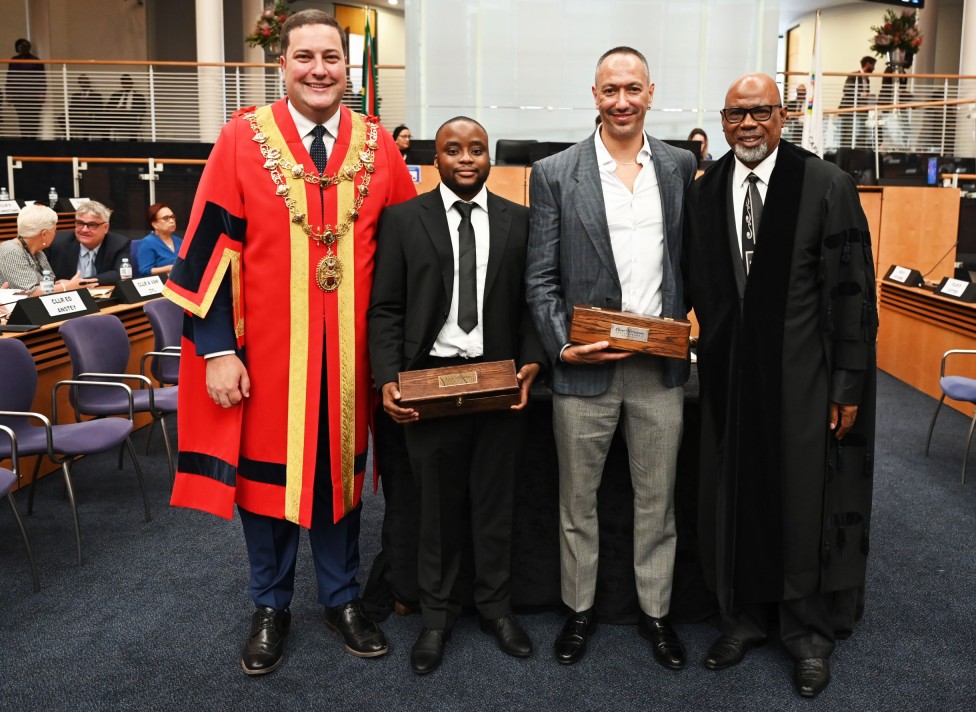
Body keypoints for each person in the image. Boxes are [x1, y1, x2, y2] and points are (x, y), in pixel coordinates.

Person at [163, 9, 417, 677]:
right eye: (304, 57)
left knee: (341, 485)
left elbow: (407, 253)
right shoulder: (242, 138)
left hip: (351, 358)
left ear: (347, 68)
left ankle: (342, 600)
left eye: (330, 58)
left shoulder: (376, 145)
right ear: (282, 65)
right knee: (268, 485)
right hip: (267, 357)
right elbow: (210, 248)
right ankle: (270, 606)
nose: (318, 70)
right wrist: (217, 350)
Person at [682, 73, 877, 699]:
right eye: (735, 113)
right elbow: (690, 286)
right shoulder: (706, 192)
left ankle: (807, 635)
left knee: (801, 500)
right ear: (722, 118)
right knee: (733, 493)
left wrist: (846, 385)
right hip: (730, 378)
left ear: (782, 115)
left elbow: (852, 295)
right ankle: (741, 621)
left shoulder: (824, 184)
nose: (747, 124)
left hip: (802, 379)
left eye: (760, 112)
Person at [524, 46, 696, 670]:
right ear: (593, 95)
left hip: (658, 373)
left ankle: (656, 615)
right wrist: (562, 346)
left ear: (651, 91)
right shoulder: (554, 173)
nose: (620, 101)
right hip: (584, 372)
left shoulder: (680, 166)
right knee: (579, 502)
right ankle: (578, 612)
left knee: (658, 501)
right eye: (608, 91)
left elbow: (690, 262)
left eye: (631, 89)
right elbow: (540, 280)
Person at [368, 116, 546, 675]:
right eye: (453, 149)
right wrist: (387, 378)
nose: (466, 158)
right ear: (435, 158)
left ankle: (496, 609)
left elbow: (531, 305)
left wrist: (531, 364)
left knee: (496, 507)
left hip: (498, 390)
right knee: (435, 513)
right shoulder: (401, 221)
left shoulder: (521, 221)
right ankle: (436, 618)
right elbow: (386, 308)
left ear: (489, 156)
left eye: (476, 149)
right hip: (431, 388)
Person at [45, 201, 131, 285]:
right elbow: (43, 276)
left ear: (105, 227)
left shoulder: (119, 244)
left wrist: (80, 283)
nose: (84, 230)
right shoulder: (57, 242)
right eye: (80, 223)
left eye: (92, 225)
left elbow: (120, 274)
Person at [6, 39, 46, 139]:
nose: (24, 48)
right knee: (22, 117)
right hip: (18, 95)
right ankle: (24, 138)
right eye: (21, 46)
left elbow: (42, 78)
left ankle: (33, 138)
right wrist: (8, 94)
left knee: (34, 117)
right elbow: (9, 77)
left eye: (26, 46)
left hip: (33, 95)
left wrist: (42, 93)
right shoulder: (13, 60)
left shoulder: (36, 60)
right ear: (17, 48)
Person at [839, 56, 876, 148]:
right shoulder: (854, 75)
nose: (874, 68)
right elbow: (847, 90)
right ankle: (845, 156)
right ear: (867, 64)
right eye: (873, 65)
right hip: (849, 109)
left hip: (861, 110)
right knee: (848, 133)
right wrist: (861, 94)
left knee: (860, 133)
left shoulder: (867, 79)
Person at [137, 203, 182, 276]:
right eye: (166, 218)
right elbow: (145, 270)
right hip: (160, 284)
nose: (172, 221)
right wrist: (169, 268)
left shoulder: (180, 241)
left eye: (172, 217)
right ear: (154, 224)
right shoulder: (147, 243)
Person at [107, 74, 146, 140]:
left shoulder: (139, 97)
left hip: (130, 119)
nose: (125, 84)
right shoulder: (115, 95)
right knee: (104, 122)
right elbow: (108, 108)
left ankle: (132, 146)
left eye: (127, 82)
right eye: (123, 82)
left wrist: (127, 111)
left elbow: (142, 111)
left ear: (132, 83)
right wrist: (116, 110)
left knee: (134, 125)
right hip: (116, 118)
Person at [68, 75, 104, 140]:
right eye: (81, 82)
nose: (83, 83)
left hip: (89, 118)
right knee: (62, 117)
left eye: (85, 81)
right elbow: (71, 109)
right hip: (77, 117)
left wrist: (88, 112)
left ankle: (85, 139)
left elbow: (99, 109)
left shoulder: (96, 95)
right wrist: (77, 113)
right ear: (79, 83)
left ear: (89, 82)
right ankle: (71, 139)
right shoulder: (75, 96)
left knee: (87, 119)